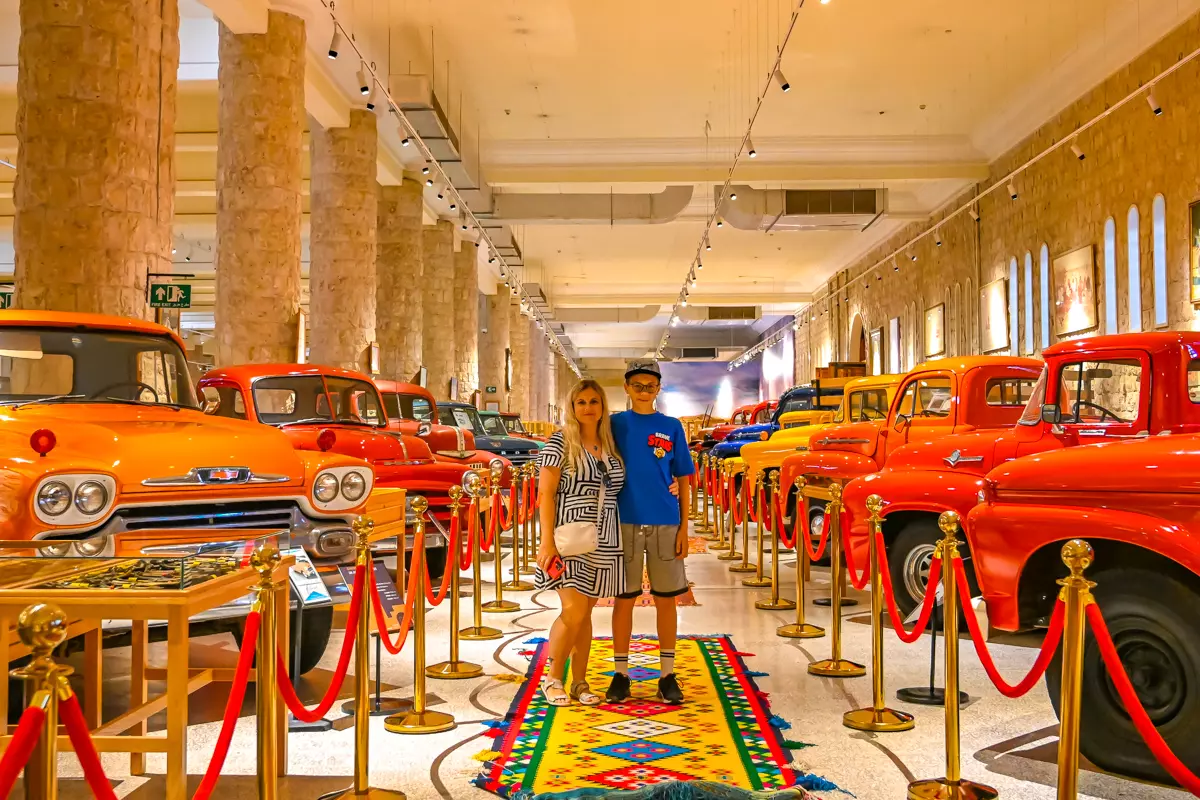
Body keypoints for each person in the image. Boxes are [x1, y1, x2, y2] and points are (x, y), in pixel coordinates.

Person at [534, 379, 626, 706]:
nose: (588, 408)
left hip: (605, 538)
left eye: (594, 402)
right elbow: (545, 494)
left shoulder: (611, 445)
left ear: (603, 407)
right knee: (572, 610)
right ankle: (553, 677)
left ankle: (579, 681)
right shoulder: (560, 443)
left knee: (585, 614)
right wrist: (546, 542)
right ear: (572, 408)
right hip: (569, 536)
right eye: (581, 402)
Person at [606, 360, 694, 705]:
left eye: (650, 385)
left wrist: (685, 525)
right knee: (623, 600)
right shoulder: (614, 425)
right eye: (638, 385)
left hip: (664, 521)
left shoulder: (671, 427)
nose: (644, 391)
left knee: (666, 598)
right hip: (623, 520)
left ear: (659, 389)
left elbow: (684, 478)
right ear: (627, 387)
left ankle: (667, 673)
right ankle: (621, 673)